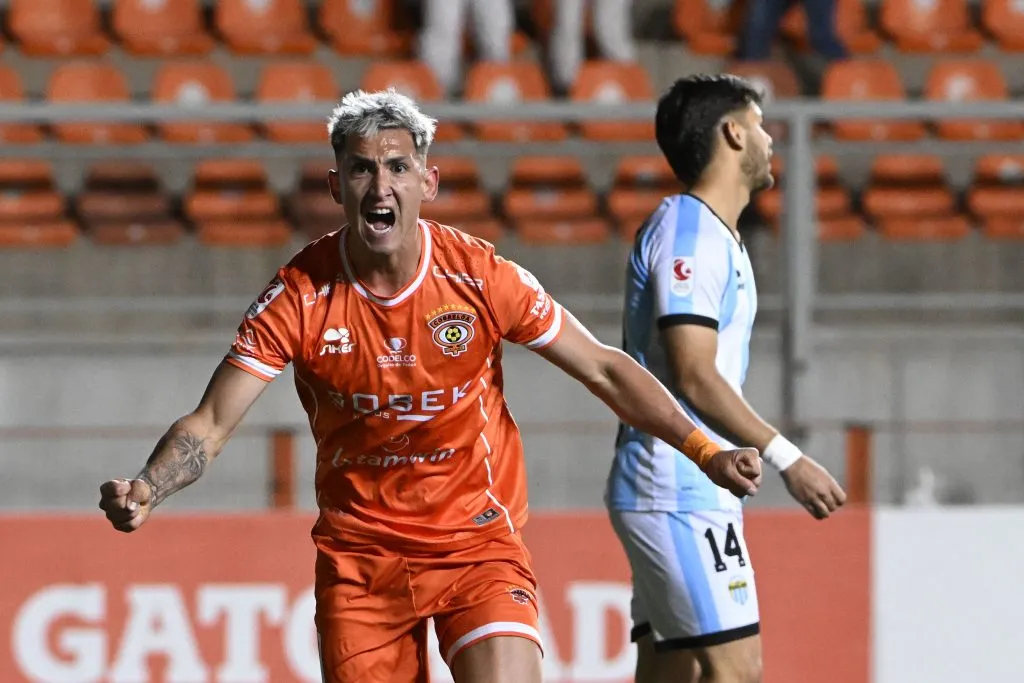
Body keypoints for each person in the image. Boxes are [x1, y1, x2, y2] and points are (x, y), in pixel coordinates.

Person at [98, 88, 763, 683]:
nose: (379, 184)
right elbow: (211, 422)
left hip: (476, 545)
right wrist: (148, 486)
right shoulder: (298, 295)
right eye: (361, 168)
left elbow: (604, 367)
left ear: (428, 181)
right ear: (337, 186)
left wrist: (707, 449)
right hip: (361, 564)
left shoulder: (478, 276)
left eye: (396, 167)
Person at [606, 74, 847, 683]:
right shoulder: (688, 233)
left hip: (687, 484)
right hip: (676, 488)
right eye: (761, 125)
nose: (770, 141)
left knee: (674, 672)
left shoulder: (713, 235)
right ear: (734, 133)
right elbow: (693, 373)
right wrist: (790, 458)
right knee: (737, 672)